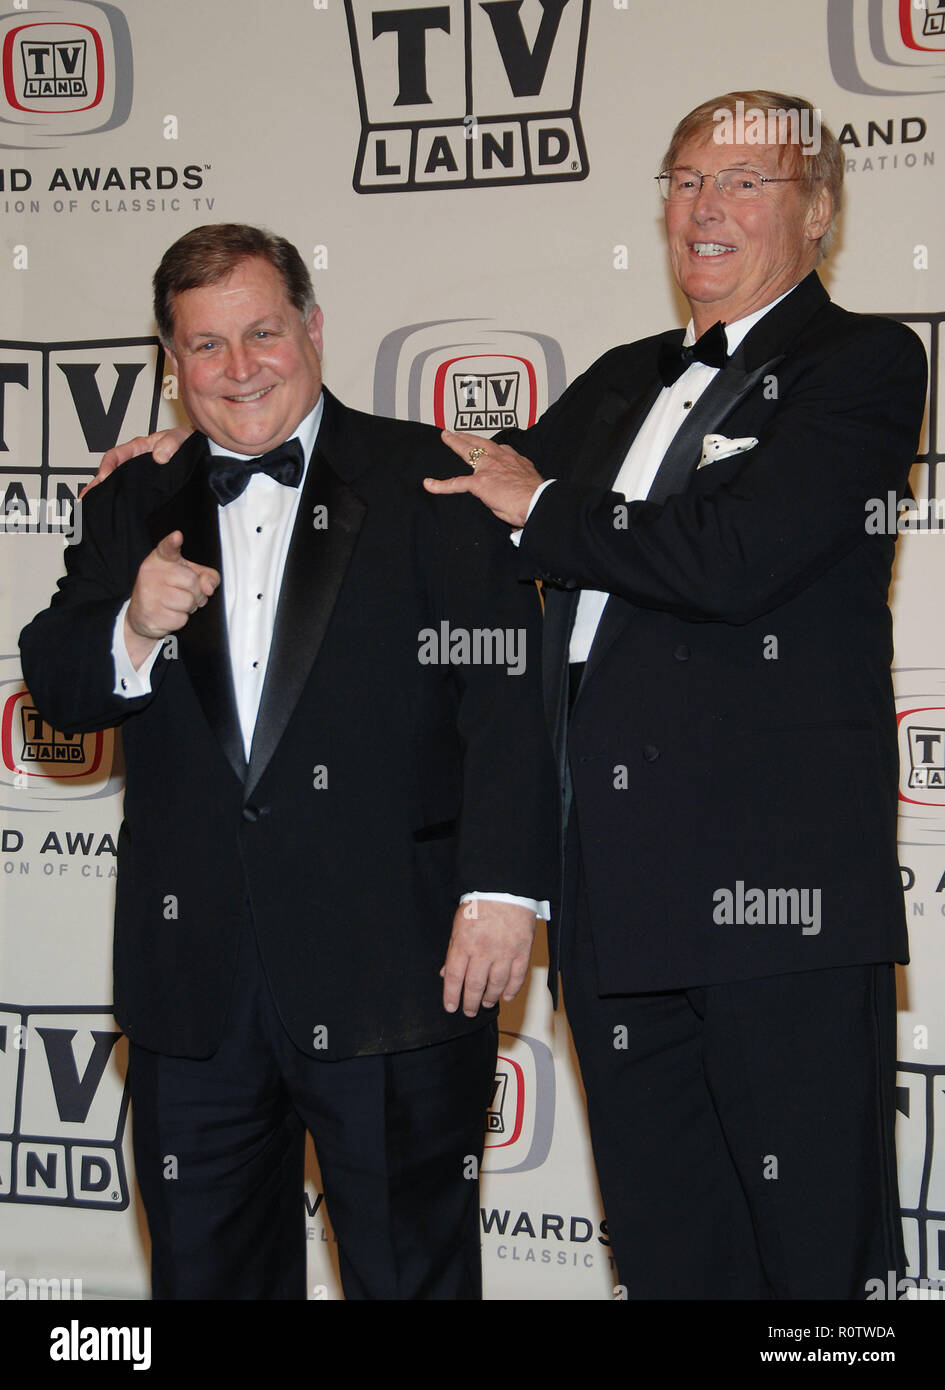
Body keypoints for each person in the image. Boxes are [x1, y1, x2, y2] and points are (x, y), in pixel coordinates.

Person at [424, 91, 928, 1299]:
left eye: (746, 183)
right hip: (612, 885)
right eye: (689, 178)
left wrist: (543, 509)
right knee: (669, 1249)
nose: (706, 207)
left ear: (818, 212)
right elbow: (456, 500)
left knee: (812, 1252)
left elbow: (732, 558)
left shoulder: (861, 362)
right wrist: (211, 457)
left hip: (782, 892)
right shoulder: (618, 380)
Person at [19, 223, 555, 1301]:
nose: (239, 366)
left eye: (262, 332)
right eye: (205, 346)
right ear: (174, 364)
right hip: (195, 988)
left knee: (412, 1276)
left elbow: (510, 695)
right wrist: (129, 626)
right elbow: (57, 681)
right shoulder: (136, 499)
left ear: (312, 328)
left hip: (396, 974)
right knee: (207, 1278)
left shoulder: (434, 479)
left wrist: (500, 890)